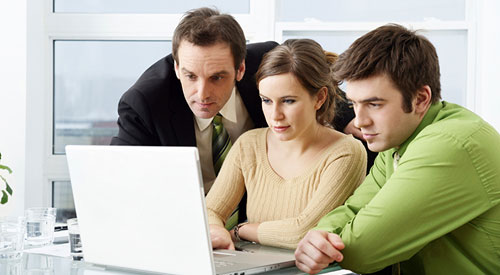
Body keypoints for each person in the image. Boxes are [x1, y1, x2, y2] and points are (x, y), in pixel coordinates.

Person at [110, 7, 371, 224]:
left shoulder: (264, 61)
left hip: (260, 226)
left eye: (217, 77)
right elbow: (119, 181)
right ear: (177, 67)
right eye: (190, 76)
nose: (202, 94)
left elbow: (307, 74)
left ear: (241, 69)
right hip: (185, 224)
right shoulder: (145, 104)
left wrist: (346, 113)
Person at [294, 24, 500, 274]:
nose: (359, 121)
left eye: (375, 104)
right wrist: (320, 235)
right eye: (354, 104)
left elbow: (362, 251)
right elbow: (353, 209)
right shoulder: (398, 143)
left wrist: (322, 246)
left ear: (421, 99)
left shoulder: (449, 144)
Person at [206, 39, 367, 250]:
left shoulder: (346, 152)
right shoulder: (249, 145)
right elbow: (210, 211)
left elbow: (304, 232)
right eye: (266, 100)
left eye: (288, 101)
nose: (275, 116)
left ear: (319, 98)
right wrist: (216, 230)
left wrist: (241, 230)